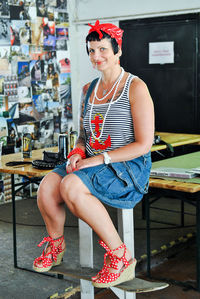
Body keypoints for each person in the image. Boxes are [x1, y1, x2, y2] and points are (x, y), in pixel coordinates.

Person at [33, 20, 154, 288]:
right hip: (92, 161)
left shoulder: (135, 87)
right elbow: (83, 136)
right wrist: (77, 151)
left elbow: (144, 145)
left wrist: (96, 159)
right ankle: (56, 245)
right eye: (90, 50)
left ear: (118, 50)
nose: (96, 56)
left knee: (71, 186)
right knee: (47, 186)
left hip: (127, 166)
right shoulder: (88, 90)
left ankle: (121, 257)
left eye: (102, 49)